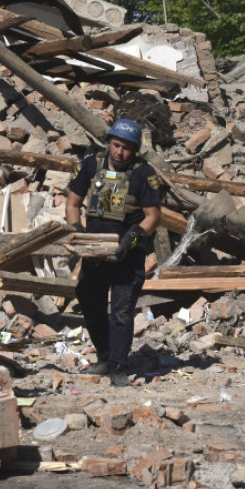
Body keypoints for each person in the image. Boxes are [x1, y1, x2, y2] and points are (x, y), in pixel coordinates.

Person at [65, 119, 163, 387]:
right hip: (94, 250)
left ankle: (120, 366)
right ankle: (106, 356)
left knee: (121, 309)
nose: (120, 152)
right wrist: (77, 233)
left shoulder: (145, 173)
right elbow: (73, 203)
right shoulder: (90, 164)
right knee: (88, 297)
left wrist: (130, 241)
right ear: (109, 142)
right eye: (116, 145)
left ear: (135, 150)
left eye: (127, 148)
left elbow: (153, 216)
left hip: (127, 253)